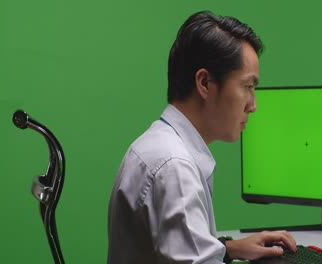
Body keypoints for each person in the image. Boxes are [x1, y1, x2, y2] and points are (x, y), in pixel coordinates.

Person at [107, 10, 297, 264]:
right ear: (205, 83)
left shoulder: (160, 145)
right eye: (248, 87)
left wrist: (227, 248)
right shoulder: (174, 166)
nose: (253, 105)